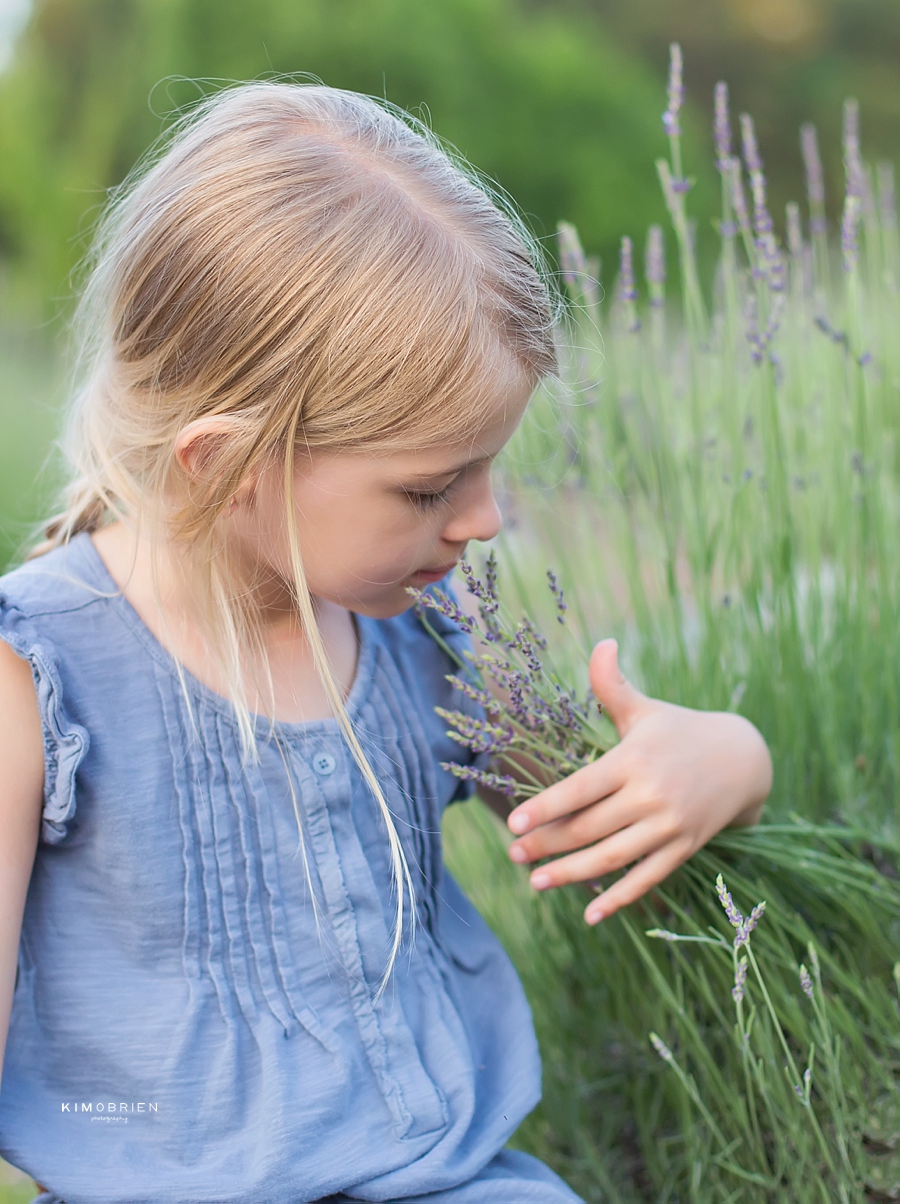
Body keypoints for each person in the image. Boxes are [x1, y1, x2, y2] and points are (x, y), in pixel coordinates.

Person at [0, 83, 772, 1204]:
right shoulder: (37, 676)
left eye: (488, 468)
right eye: (428, 485)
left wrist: (723, 762)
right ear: (222, 463)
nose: (484, 519)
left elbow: (599, 832)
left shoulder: (431, 642)